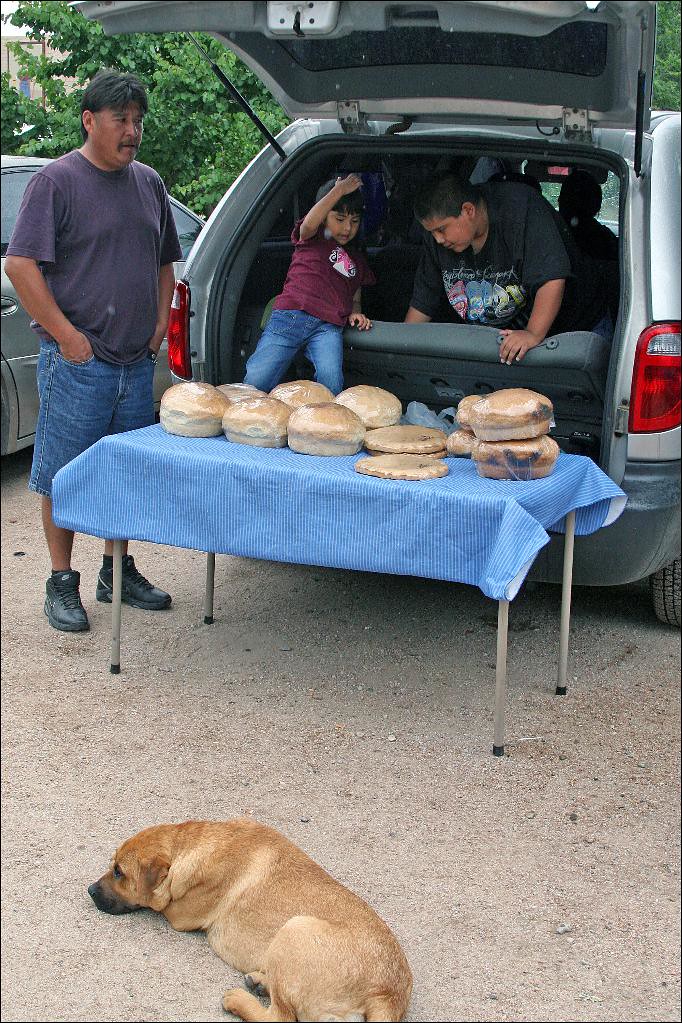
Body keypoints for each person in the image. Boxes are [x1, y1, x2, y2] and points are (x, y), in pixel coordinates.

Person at [5, 69, 183, 634]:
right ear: (89, 120)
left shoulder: (149, 183)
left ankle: (117, 570)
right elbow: (20, 265)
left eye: (138, 122)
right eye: (120, 121)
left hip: (136, 362)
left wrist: (158, 325)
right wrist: (67, 337)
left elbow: (163, 262)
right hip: (80, 364)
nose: (132, 132)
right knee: (62, 474)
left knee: (122, 473)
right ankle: (61, 581)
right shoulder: (56, 183)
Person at [405, 172, 610, 364]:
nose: (437, 239)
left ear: (468, 210)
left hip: (573, 331)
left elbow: (552, 279)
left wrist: (532, 334)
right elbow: (424, 300)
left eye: (441, 230)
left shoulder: (520, 210)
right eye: (431, 232)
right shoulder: (440, 239)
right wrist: (405, 347)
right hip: (504, 342)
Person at [243, 174, 375, 394]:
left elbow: (355, 297)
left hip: (328, 326)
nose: (347, 228)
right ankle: (244, 415)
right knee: (257, 378)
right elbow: (309, 222)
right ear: (325, 216)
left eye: (354, 221)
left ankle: (320, 424)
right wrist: (338, 191)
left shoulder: (357, 260)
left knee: (331, 381)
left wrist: (356, 313)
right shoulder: (313, 238)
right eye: (339, 219)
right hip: (291, 315)